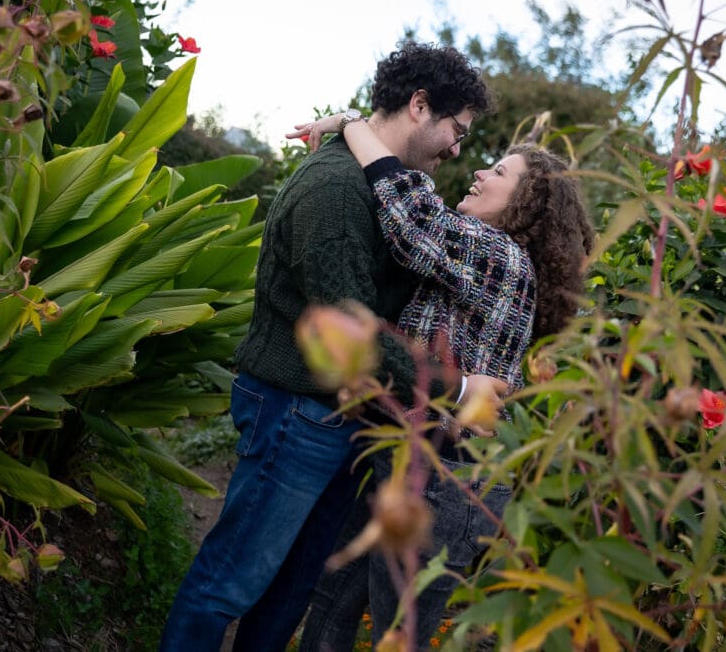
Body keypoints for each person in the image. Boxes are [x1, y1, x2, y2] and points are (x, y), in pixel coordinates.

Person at [158, 42, 498, 652]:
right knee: (232, 580)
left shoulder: (390, 185)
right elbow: (353, 331)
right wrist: (460, 388)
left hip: (343, 417)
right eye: (457, 130)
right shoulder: (337, 189)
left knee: (291, 588)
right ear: (420, 106)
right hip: (298, 409)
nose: (457, 148)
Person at [290, 111, 595, 650]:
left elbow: (409, 216)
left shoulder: (500, 256)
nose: (479, 174)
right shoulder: (494, 259)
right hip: (414, 456)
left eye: (498, 172)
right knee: (336, 600)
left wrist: (352, 124)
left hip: (444, 474)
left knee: (396, 633)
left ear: (527, 202)